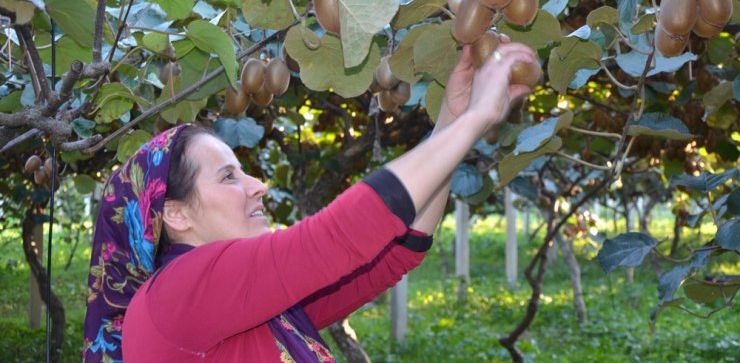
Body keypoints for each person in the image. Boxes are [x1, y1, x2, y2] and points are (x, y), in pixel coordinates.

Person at [83, 42, 535, 362]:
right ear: (174, 214)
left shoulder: (260, 307)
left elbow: (394, 255)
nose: (257, 185)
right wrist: (475, 120)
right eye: (228, 177)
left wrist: (450, 122)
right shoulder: (176, 293)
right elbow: (336, 238)